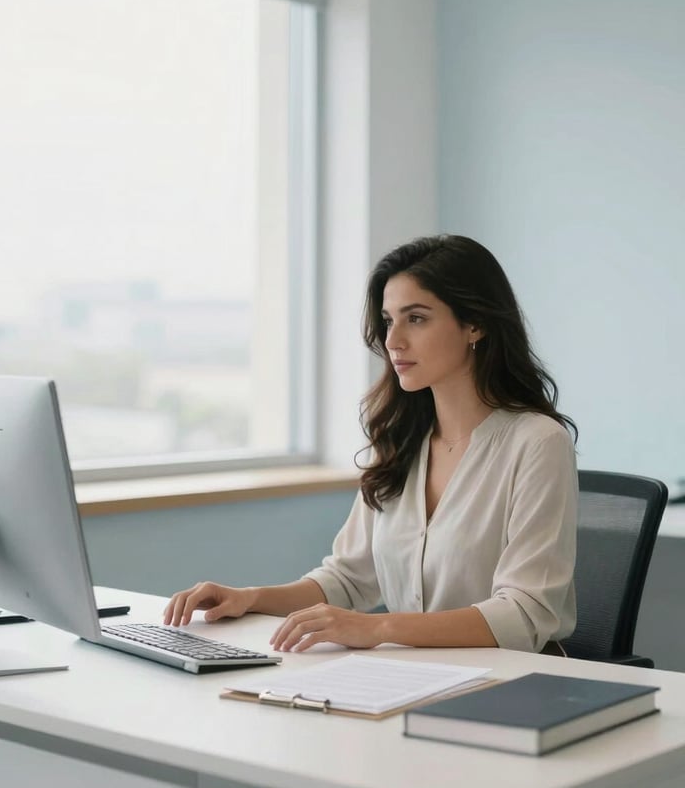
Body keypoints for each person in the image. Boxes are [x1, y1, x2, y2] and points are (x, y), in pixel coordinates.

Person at [163, 234, 578, 657]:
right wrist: (250, 598)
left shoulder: (538, 443)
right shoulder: (399, 440)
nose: (393, 340)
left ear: (475, 324)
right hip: (407, 677)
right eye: (388, 319)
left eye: (416, 318)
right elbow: (347, 580)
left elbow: (525, 613)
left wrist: (377, 627)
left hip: (509, 685)